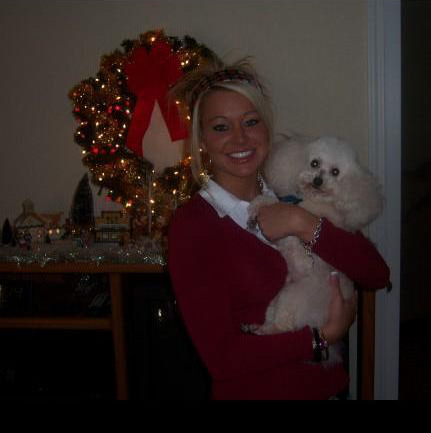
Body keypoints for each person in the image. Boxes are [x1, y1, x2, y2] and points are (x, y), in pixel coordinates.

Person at [167, 57, 390, 400]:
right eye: (221, 127)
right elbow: (222, 359)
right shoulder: (194, 225)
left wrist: (303, 223)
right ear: (202, 140)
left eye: (251, 122)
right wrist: (320, 339)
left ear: (266, 128)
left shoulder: (297, 192)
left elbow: (375, 273)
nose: (240, 138)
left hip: (328, 390)